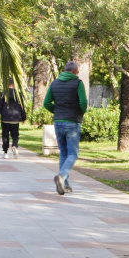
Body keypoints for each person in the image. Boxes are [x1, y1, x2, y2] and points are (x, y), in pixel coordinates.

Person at [44, 59, 87, 195]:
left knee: (63, 152)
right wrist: (80, 112)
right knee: (73, 153)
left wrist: (56, 111)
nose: (78, 73)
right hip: (72, 122)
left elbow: (46, 103)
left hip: (58, 121)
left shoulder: (54, 83)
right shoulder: (78, 83)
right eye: (77, 71)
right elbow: (83, 102)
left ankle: (65, 184)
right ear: (74, 71)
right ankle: (61, 176)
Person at [0, 79, 26, 158]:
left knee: (5, 136)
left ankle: (5, 152)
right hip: (15, 119)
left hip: (5, 118)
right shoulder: (18, 94)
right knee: (15, 135)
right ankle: (14, 145)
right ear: (14, 84)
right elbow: (22, 107)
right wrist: (23, 118)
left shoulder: (3, 94)